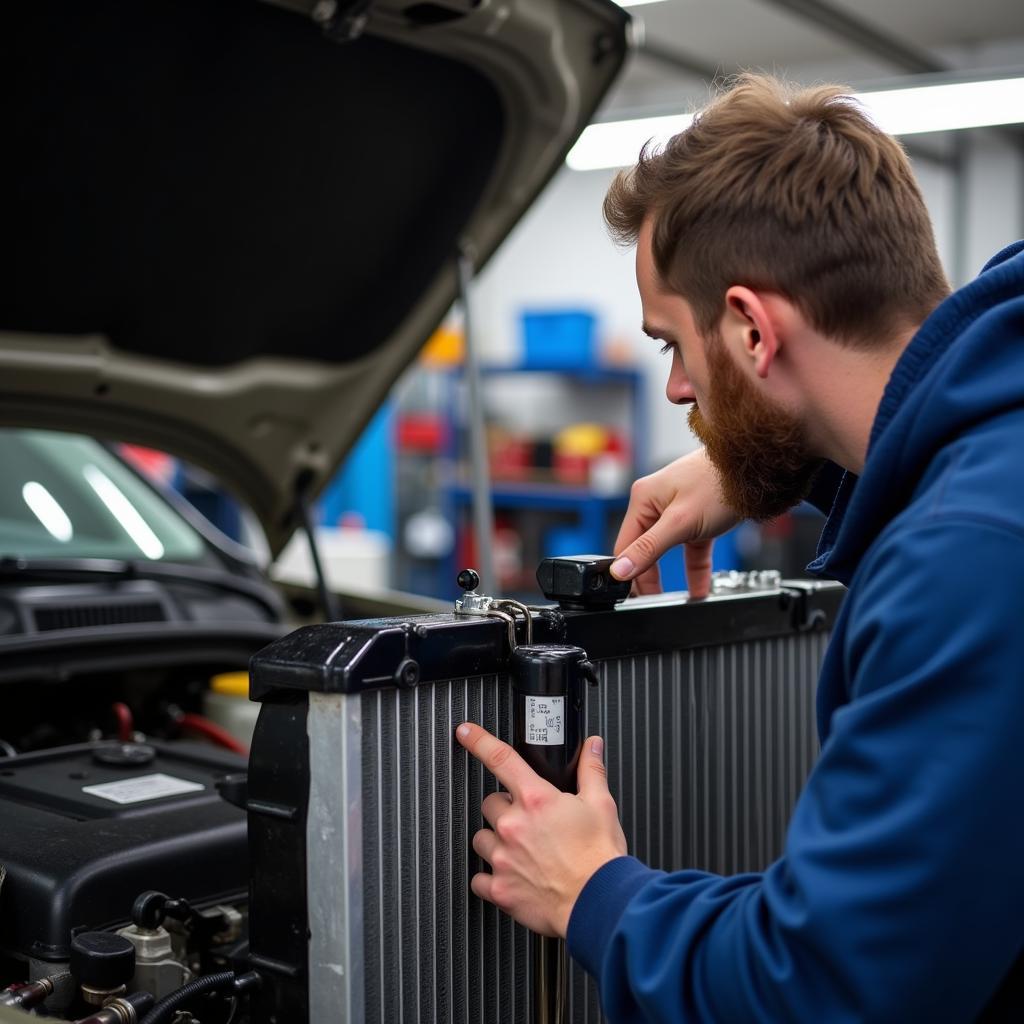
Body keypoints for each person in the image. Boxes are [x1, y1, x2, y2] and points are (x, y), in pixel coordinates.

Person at [456, 73, 1024, 1021]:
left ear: (754, 329)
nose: (679, 391)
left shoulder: (965, 562)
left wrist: (594, 891)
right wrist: (787, 461)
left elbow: (831, 990)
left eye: (676, 345)